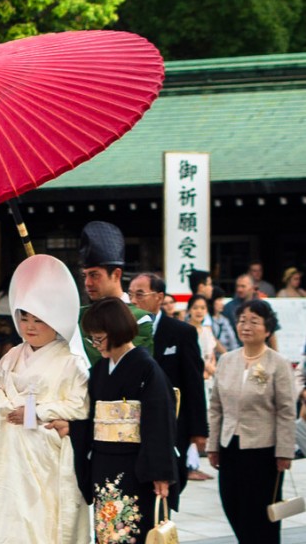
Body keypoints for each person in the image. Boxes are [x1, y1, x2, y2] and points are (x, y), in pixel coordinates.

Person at [0, 255, 91, 544]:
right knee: (3, 516)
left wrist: (33, 411)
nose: (30, 326)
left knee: (39, 520)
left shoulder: (71, 363)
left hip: (43, 454)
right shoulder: (12, 355)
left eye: (38, 320)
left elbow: (78, 407)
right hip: (6, 452)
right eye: (25, 318)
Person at [77, 298, 178, 543]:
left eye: (98, 338)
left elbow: (159, 423)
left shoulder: (147, 369)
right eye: (92, 338)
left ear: (116, 331)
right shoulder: (99, 370)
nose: (95, 344)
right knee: (106, 531)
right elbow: (87, 418)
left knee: (133, 530)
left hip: (135, 467)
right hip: (103, 462)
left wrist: (160, 473)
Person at [207, 300, 296, 544]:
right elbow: (215, 407)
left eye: (254, 321)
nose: (246, 326)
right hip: (230, 447)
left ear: (267, 329)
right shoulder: (227, 360)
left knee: (260, 514)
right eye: (242, 321)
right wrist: (213, 445)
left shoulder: (278, 363)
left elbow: (287, 410)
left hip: (264, 451)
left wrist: (285, 451)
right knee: (232, 505)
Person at [128, 273, 208, 496]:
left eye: (140, 294)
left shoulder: (181, 332)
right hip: (136, 421)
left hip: (173, 422)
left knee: (170, 484)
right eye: (130, 294)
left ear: (159, 297)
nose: (133, 300)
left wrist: (198, 430)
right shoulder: (125, 333)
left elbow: (193, 382)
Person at [78, 221, 153, 366]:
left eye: (94, 275)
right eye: (84, 276)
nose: (87, 283)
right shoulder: (78, 316)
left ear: (116, 274)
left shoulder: (140, 319)